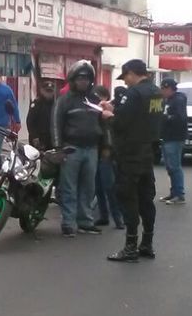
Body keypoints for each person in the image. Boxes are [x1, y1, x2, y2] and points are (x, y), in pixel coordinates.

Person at [107, 59, 163, 263]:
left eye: (126, 77)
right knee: (146, 199)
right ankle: (147, 243)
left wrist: (108, 115)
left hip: (130, 153)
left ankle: (130, 247)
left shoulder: (134, 93)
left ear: (131, 73)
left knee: (128, 197)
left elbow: (121, 122)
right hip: (148, 151)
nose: (126, 82)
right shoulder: (156, 92)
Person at [53, 60, 104, 237]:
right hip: (71, 150)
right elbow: (55, 125)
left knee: (89, 188)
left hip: (92, 150)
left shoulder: (96, 100)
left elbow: (104, 124)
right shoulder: (64, 101)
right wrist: (59, 148)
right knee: (69, 188)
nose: (83, 81)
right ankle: (68, 223)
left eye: (87, 78)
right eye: (80, 78)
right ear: (73, 80)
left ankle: (85, 222)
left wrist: (106, 147)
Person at [91, 85, 125, 229]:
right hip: (95, 150)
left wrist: (108, 149)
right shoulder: (92, 110)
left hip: (105, 151)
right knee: (98, 186)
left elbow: (110, 132)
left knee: (109, 186)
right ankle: (104, 216)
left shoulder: (108, 111)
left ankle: (118, 218)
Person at [160, 79, 188, 204]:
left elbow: (180, 118)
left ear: (169, 88)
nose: (162, 91)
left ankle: (179, 194)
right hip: (166, 137)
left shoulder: (178, 100)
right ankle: (173, 192)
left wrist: (165, 118)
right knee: (169, 166)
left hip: (175, 137)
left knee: (175, 166)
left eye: (164, 89)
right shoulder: (167, 100)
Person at [26, 80, 57, 150]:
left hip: (51, 139)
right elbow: (30, 122)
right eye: (47, 91)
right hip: (39, 139)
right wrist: (34, 137)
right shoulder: (36, 104)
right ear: (42, 90)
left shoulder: (56, 104)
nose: (49, 93)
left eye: (51, 91)